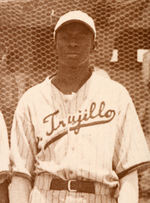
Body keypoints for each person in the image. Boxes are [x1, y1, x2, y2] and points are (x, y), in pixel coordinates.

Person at [9, 10, 150, 203]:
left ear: (94, 46)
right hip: (46, 193)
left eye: (82, 37)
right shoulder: (31, 100)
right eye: (65, 37)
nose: (73, 43)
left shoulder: (116, 96)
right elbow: (20, 176)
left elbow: (128, 174)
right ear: (54, 45)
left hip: (99, 195)